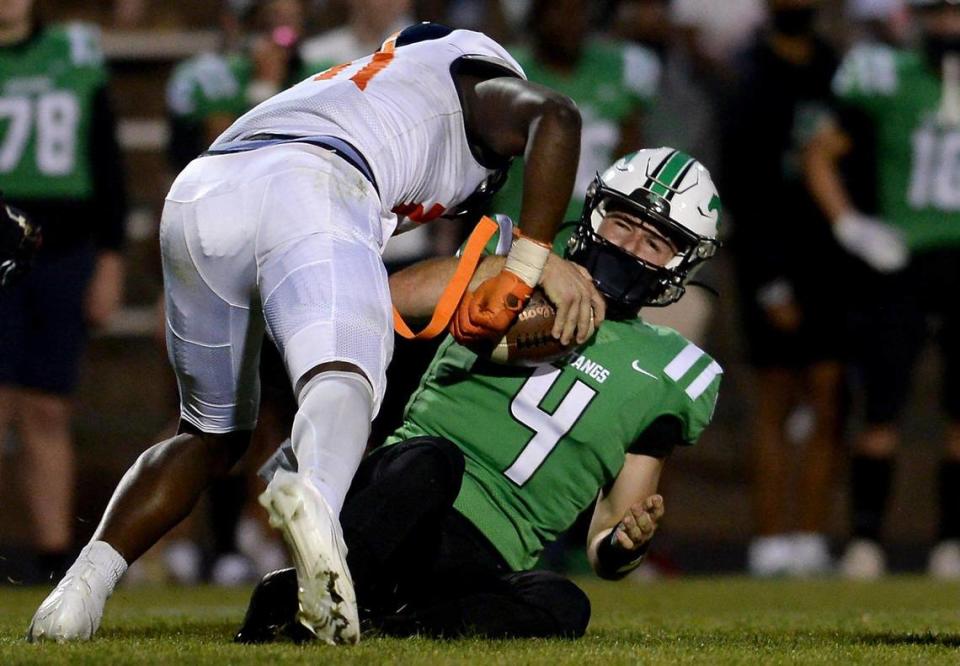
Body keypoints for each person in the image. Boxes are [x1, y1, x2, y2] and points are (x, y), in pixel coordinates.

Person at [27, 23, 602, 644]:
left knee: (209, 433)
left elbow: (392, 279)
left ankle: (77, 592)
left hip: (201, 196)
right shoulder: (470, 84)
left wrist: (504, 263)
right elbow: (557, 116)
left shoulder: (360, 93)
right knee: (346, 375)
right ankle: (319, 514)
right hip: (316, 183)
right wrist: (527, 265)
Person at [235, 148, 723, 641]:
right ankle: (314, 591)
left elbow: (609, 538)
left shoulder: (673, 372)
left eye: (655, 241)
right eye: (622, 222)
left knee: (564, 602)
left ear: (681, 264)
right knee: (432, 459)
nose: (630, 245)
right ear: (595, 213)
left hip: (478, 560)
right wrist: (516, 268)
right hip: (399, 504)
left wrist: (624, 543)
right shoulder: (521, 265)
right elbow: (385, 299)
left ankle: (386, 627)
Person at [805, 0, 960, 579]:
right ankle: (866, 538)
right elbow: (819, 152)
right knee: (881, 409)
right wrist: (850, 224)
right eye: (939, 15)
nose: (949, 28)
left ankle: (953, 541)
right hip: (906, 262)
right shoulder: (889, 78)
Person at [0, 0, 127, 583]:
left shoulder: (74, 51)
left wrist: (110, 257)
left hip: (64, 247)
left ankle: (54, 558)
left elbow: (105, 157)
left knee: (48, 407)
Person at [723, 0, 847, 577]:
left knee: (827, 397)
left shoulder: (835, 68)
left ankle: (811, 536)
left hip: (831, 257)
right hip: (768, 254)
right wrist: (771, 281)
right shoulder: (748, 73)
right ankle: (770, 540)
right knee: (773, 400)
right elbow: (743, 185)